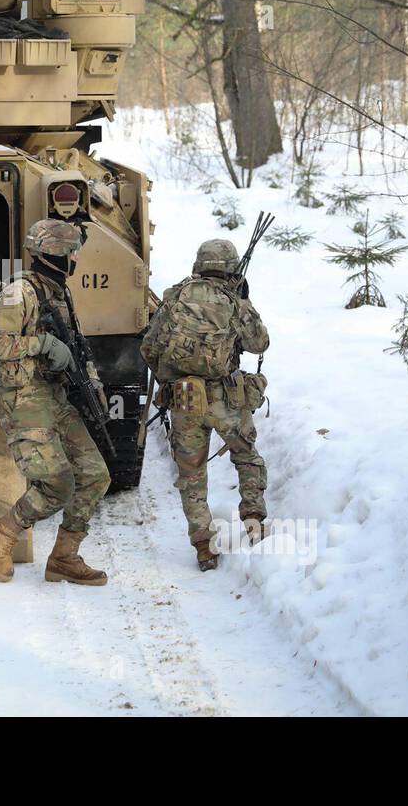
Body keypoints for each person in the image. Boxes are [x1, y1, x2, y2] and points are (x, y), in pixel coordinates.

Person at [0, 219, 111, 586]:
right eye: (72, 253)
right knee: (57, 484)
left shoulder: (58, 291)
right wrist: (42, 344)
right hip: (23, 399)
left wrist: (93, 381)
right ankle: (5, 532)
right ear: (56, 254)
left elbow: (75, 341)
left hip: (54, 397)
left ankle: (64, 558)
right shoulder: (19, 293)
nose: (76, 260)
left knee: (95, 475)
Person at [139, 239, 271, 571]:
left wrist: (173, 377)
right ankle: (254, 521)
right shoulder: (232, 301)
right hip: (226, 398)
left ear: (199, 265)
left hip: (185, 400)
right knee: (246, 457)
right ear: (231, 268)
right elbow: (260, 343)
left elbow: (149, 347)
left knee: (192, 475)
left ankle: (204, 546)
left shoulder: (175, 297)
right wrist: (245, 299)